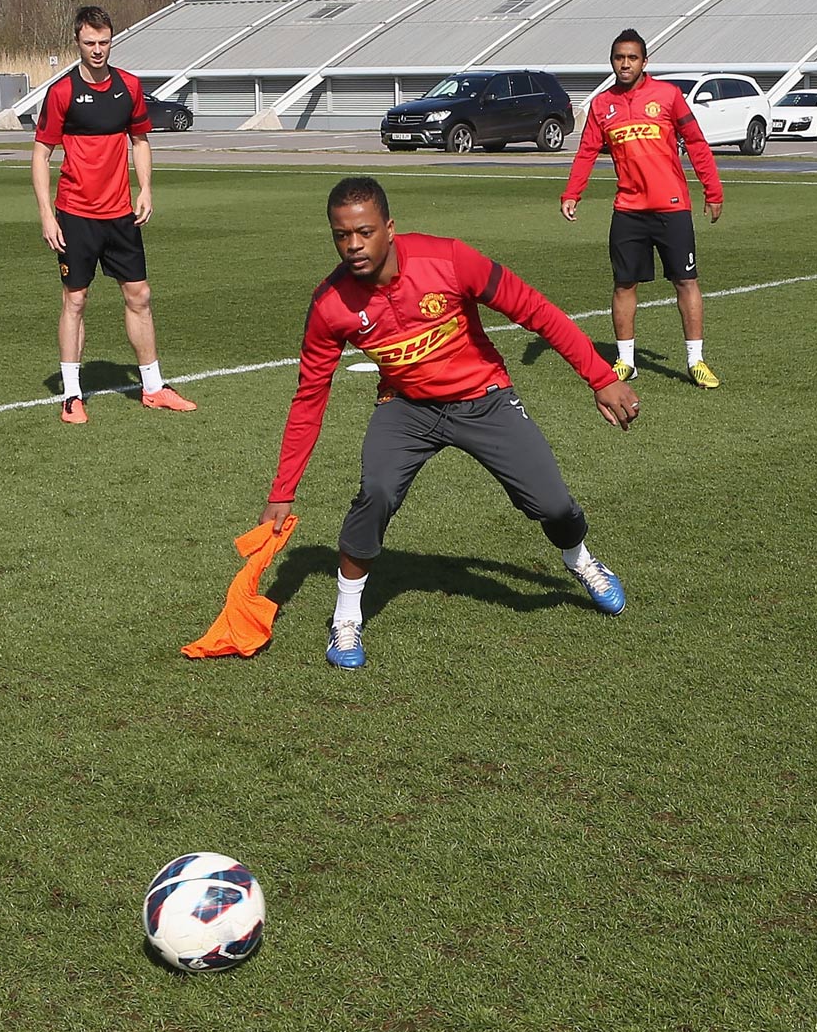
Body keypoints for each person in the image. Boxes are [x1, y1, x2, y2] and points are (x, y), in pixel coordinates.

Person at [261, 177, 641, 669]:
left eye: (365, 232)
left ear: (389, 229)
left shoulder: (450, 259)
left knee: (553, 504)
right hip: (406, 409)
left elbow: (536, 311)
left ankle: (582, 562)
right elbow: (310, 396)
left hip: (484, 398)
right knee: (374, 493)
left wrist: (599, 376)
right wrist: (282, 490)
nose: (353, 246)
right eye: (341, 235)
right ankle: (346, 618)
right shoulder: (330, 304)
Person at [32, 3, 196, 422]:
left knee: (139, 296)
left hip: (121, 214)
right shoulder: (62, 92)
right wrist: (46, 215)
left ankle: (154, 387)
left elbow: (140, 140)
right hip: (76, 215)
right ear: (77, 42)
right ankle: (72, 394)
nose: (98, 50)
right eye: (90, 43)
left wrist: (146, 189)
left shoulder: (130, 87)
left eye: (104, 42)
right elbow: (41, 153)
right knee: (76, 300)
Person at [560, 29, 724, 389]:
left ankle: (696, 361)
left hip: (672, 208)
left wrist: (713, 191)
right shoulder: (603, 105)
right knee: (624, 284)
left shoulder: (668, 96)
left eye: (632, 58)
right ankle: (626, 361)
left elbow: (696, 143)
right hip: (629, 210)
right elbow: (587, 151)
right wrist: (572, 192)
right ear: (612, 61)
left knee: (686, 281)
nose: (625, 64)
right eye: (619, 58)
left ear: (644, 62)